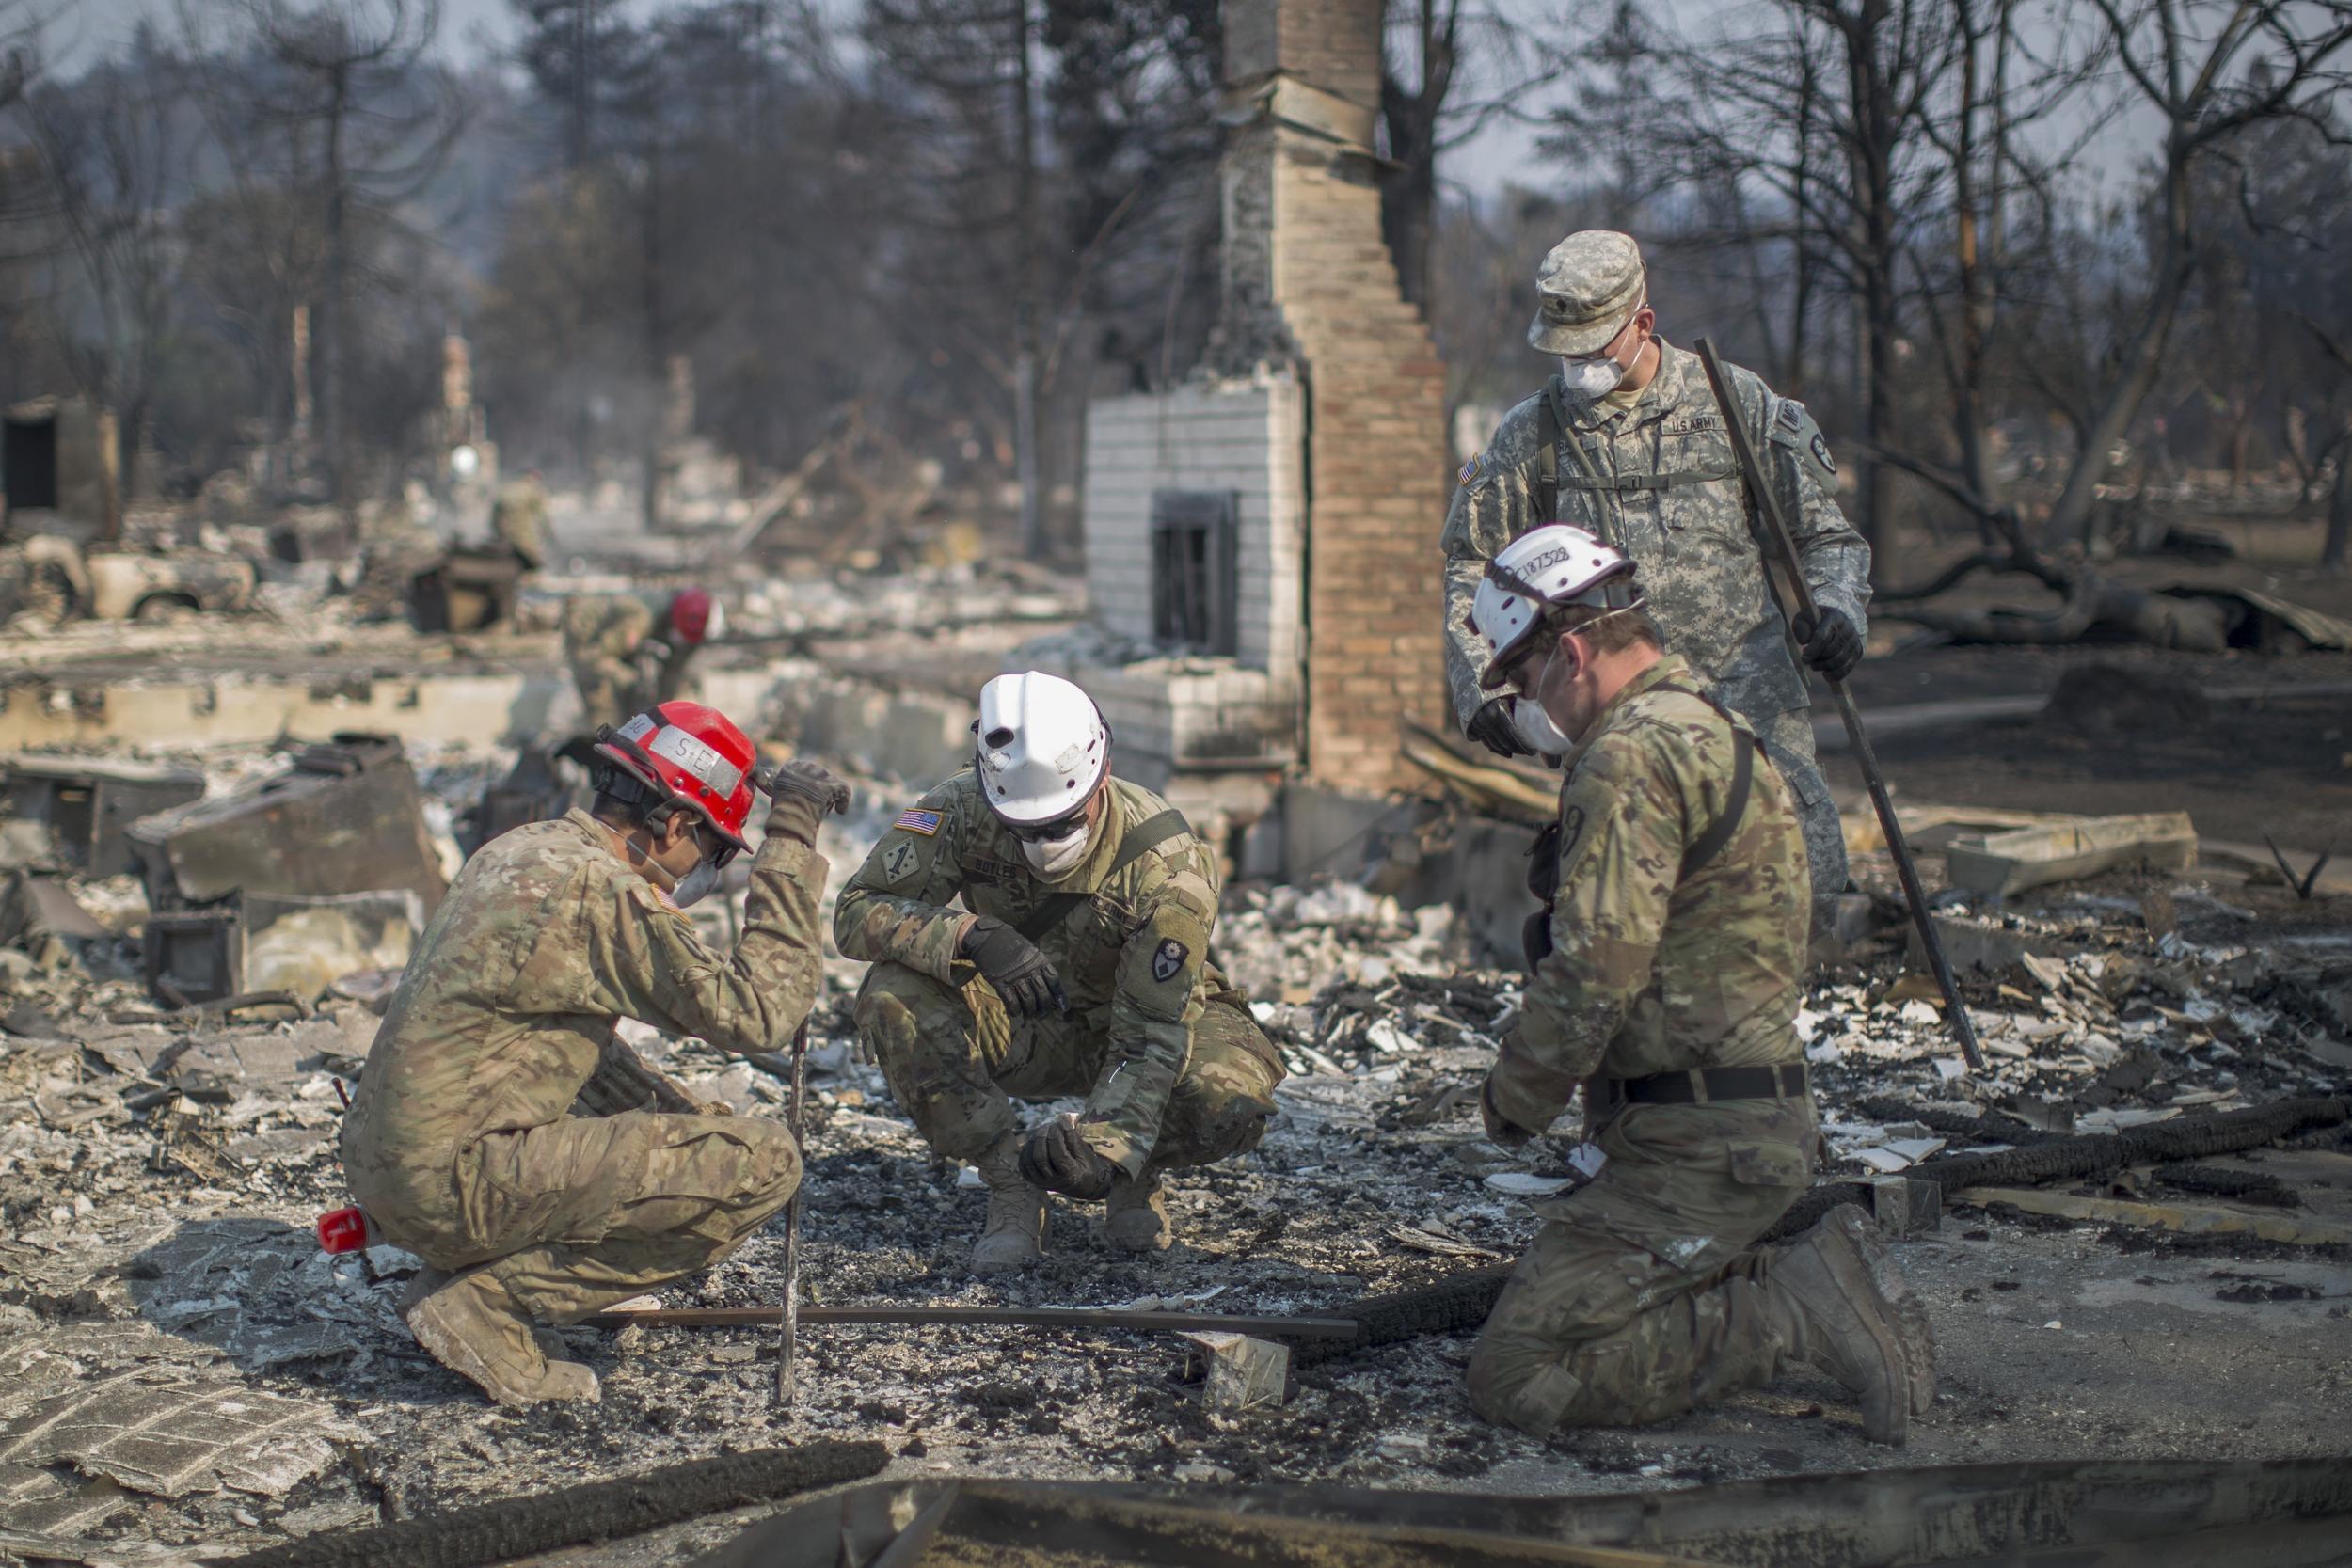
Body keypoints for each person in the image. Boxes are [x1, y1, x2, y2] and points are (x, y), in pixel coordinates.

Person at [1459, 524, 1933, 1445]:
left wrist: (1512, 1097)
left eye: (1520, 678)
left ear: (1568, 650)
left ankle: (1794, 1313)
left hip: (1696, 1149)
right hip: (1730, 1123)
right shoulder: (1710, 725)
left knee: (1517, 1373)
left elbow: (1596, 966)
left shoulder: (1627, 755)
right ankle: (1772, 1286)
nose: (1524, 702)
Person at [338, 700, 850, 1405]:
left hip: (390, 1168)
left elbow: (563, 1049)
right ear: (675, 824)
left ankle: (472, 1275)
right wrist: (790, 839)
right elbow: (760, 1009)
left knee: (696, 1138)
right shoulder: (597, 889)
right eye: (716, 849)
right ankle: (487, 1306)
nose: (707, 867)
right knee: (766, 1163)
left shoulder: (523, 850)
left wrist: (678, 1122)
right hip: (451, 1183)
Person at [1441, 230, 1870, 941]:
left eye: (1593, 347)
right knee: (1629, 910)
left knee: (1802, 879)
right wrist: (1480, 684)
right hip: (1614, 719)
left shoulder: (1736, 407)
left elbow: (1825, 535)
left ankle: (1753, 1035)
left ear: (1643, 322)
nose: (1578, 366)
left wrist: (1837, 609)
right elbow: (1469, 562)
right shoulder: (1533, 435)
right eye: (1565, 351)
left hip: (1747, 700)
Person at [834, 671, 1284, 1273]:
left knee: (1227, 1094)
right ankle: (1012, 1186)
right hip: (1026, 1023)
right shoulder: (960, 808)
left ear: (1099, 779)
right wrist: (970, 933)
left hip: (1133, 1027)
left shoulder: (1167, 864)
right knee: (893, 998)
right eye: (1026, 829)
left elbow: (1153, 1029)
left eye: (1064, 822)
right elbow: (856, 911)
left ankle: (1138, 1175)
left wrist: (1108, 1150)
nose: (1046, 843)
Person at [564, 587, 719, 733]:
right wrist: (630, 681)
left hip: (609, 646)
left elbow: (672, 675)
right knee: (606, 708)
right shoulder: (640, 621)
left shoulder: (671, 615)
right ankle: (597, 748)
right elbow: (596, 658)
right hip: (587, 639)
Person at [490, 468, 551, 570]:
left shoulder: (506, 490)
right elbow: (543, 518)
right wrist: (549, 536)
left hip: (505, 540)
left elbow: (494, 517)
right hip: (524, 541)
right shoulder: (532, 492)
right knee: (535, 566)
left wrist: (499, 534)